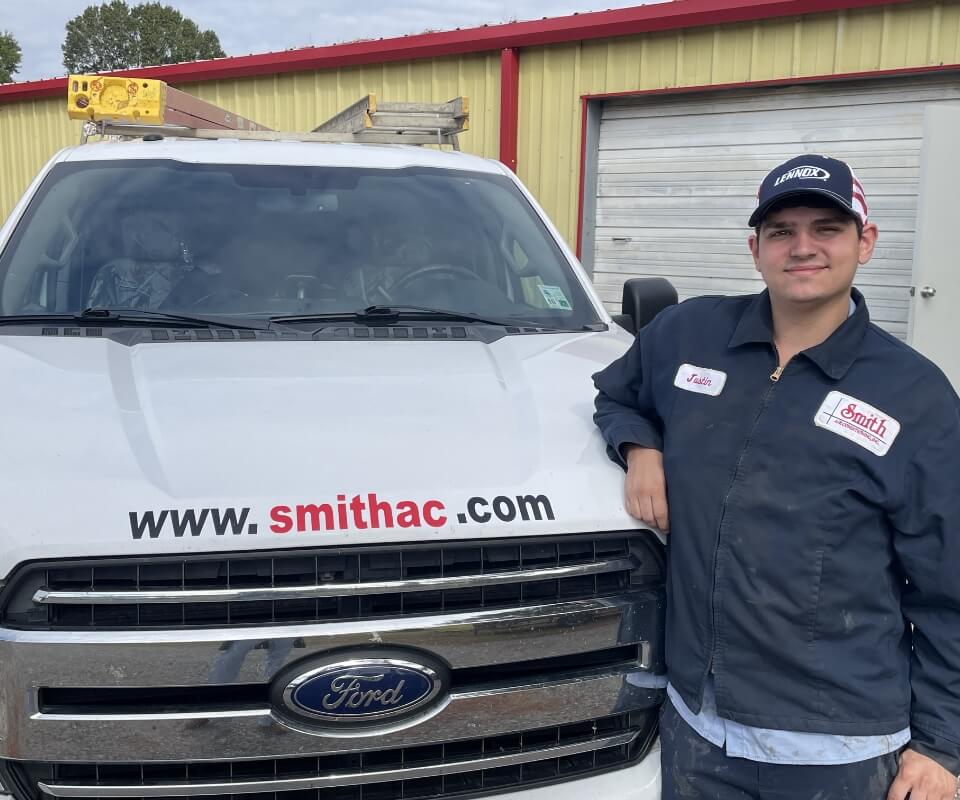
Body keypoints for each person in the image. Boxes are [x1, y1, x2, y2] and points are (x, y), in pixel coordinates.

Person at [592, 154, 960, 800]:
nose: (803, 247)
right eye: (783, 231)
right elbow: (616, 393)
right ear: (755, 247)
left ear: (865, 243)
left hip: (836, 749)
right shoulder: (689, 336)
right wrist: (639, 445)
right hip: (697, 733)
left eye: (827, 229)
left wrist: (941, 747)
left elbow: (948, 588)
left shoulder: (916, 396)